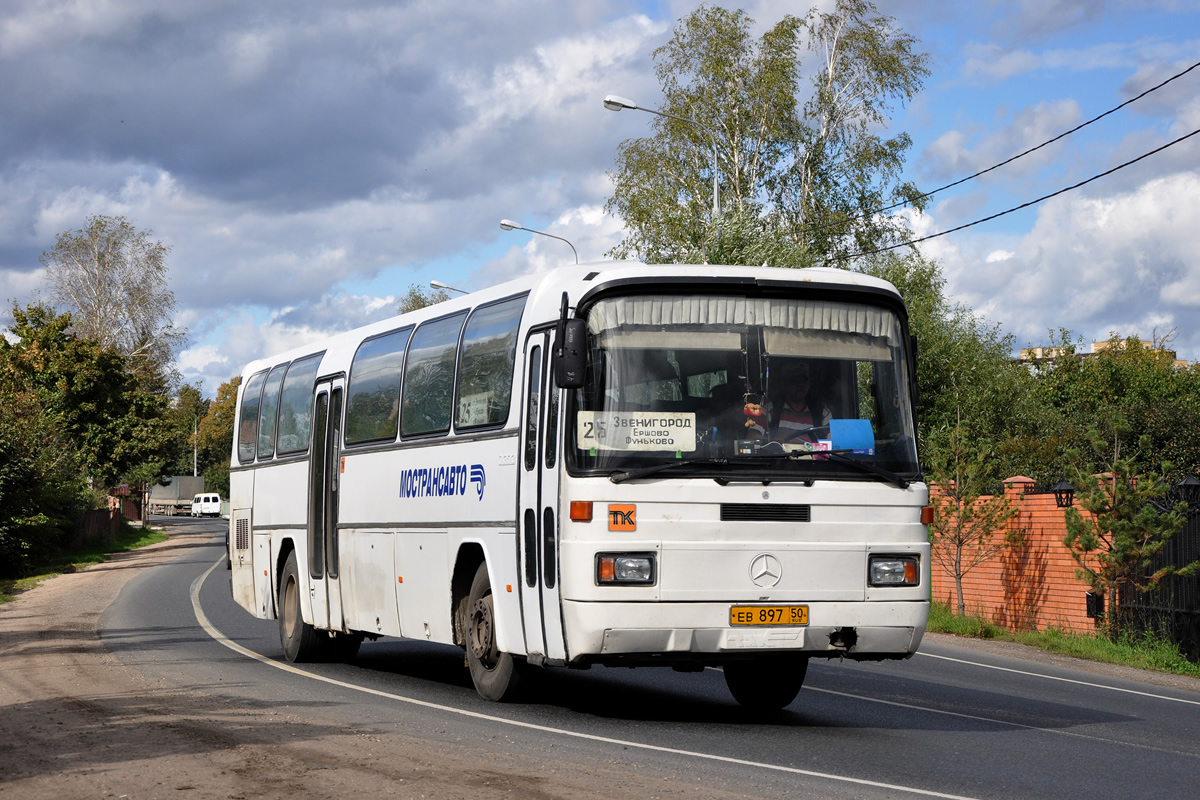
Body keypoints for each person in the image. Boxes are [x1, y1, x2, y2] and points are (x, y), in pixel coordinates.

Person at [768, 362, 830, 442]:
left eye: (804, 379)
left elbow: (835, 443)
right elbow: (753, 436)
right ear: (784, 383)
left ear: (809, 383)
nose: (800, 384)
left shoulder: (821, 411)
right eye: (794, 380)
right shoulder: (770, 407)